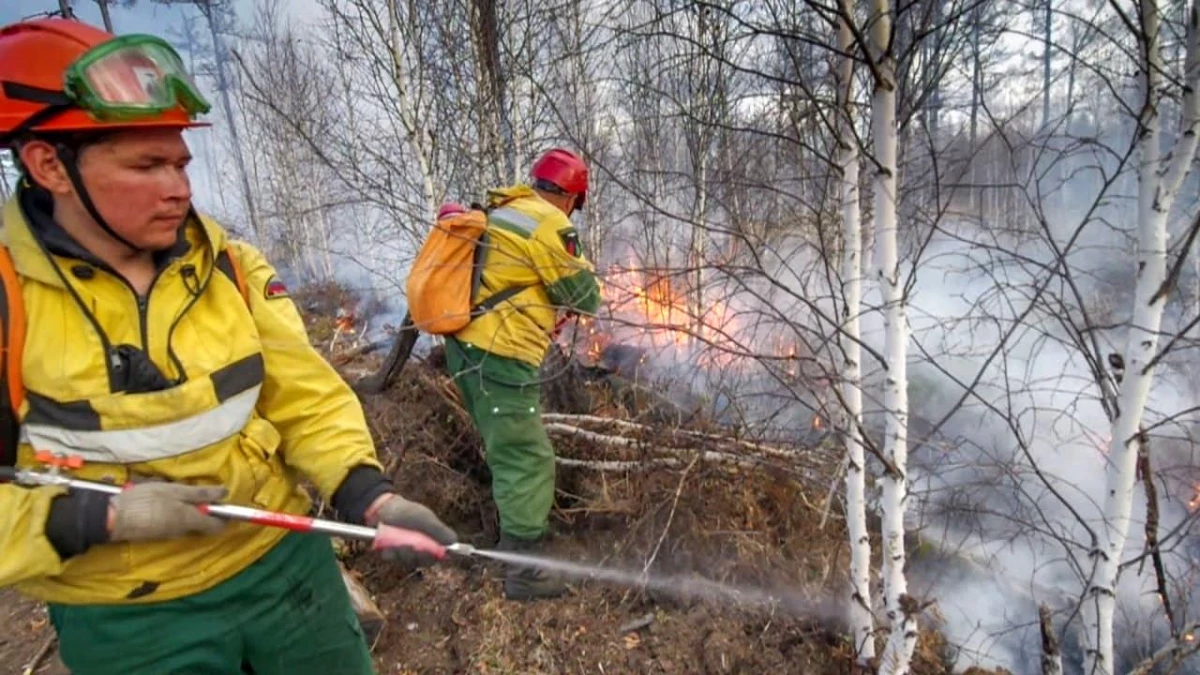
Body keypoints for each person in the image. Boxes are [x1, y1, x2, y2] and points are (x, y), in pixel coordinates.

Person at [0, 18, 456, 675]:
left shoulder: (229, 268)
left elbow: (306, 397)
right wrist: (97, 517)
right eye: (146, 164)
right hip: (130, 617)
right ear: (50, 165)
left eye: (181, 161)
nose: (179, 186)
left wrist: (370, 495)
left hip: (285, 572)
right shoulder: (12, 301)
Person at [446, 148, 601, 601]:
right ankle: (525, 574)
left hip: (466, 349)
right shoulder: (548, 223)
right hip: (499, 353)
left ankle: (509, 547)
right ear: (572, 197)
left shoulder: (505, 209)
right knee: (527, 457)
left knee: (508, 450)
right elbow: (584, 295)